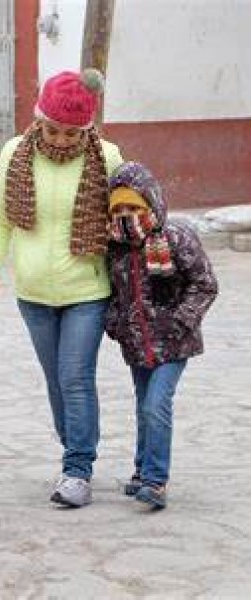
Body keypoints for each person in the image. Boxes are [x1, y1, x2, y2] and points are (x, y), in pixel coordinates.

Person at [0, 69, 123, 507]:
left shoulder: (108, 157)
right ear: (39, 120)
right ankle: (74, 445)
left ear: (87, 128)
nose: (59, 139)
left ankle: (78, 468)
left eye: (70, 132)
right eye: (52, 129)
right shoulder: (14, 153)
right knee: (56, 381)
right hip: (34, 291)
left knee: (75, 377)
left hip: (87, 289)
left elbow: (127, 214)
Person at [105, 162, 218, 510]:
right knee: (144, 407)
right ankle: (141, 471)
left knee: (156, 405)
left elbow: (204, 284)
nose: (127, 215)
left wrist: (180, 322)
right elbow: (113, 293)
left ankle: (156, 480)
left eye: (134, 208)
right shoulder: (117, 247)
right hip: (137, 345)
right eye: (119, 209)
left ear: (151, 204)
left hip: (174, 343)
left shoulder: (176, 238)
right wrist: (116, 323)